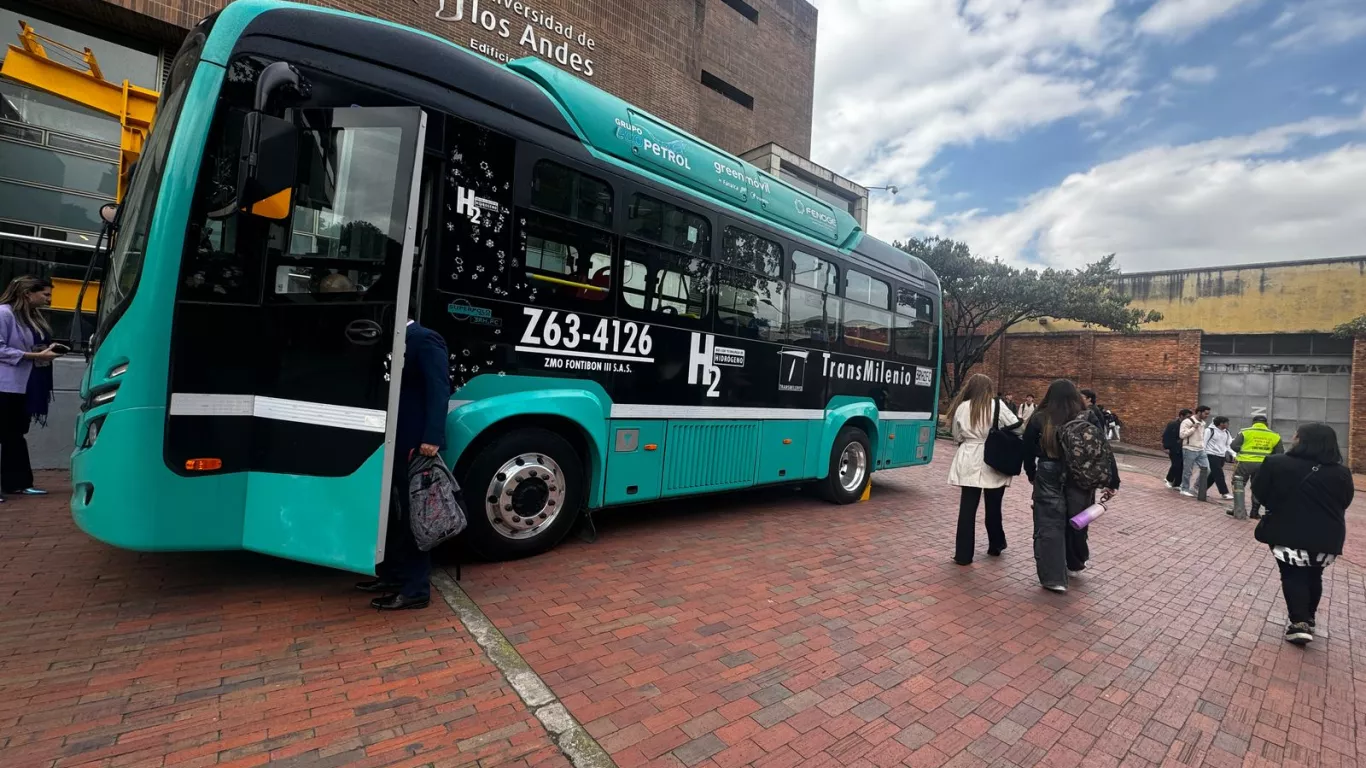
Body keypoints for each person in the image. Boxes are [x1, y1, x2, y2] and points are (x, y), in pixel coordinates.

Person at [356, 309, 451, 610]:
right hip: (393, 440)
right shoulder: (393, 342)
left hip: (415, 444)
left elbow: (439, 389)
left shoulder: (425, 340)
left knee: (414, 515)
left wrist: (432, 437)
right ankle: (392, 574)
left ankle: (416, 588)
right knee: (393, 513)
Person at [1251, 423, 1352, 645]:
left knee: (1292, 574)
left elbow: (1259, 491)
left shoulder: (1277, 463)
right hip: (1328, 535)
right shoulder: (1342, 472)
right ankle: (1309, 618)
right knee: (1314, 574)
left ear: (1301, 440)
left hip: (1288, 529)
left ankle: (1299, 623)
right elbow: (1345, 501)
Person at [1022, 379, 1120, 593]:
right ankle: (1076, 561)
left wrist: (1031, 473)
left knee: (1049, 523)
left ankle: (1053, 578)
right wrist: (1112, 481)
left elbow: (1027, 448)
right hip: (1081, 474)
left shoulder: (1040, 417)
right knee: (1077, 519)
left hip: (1048, 470)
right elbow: (1103, 448)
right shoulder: (1088, 417)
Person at [946, 373, 1020, 565]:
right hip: (993, 455)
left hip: (969, 455)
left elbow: (956, 434)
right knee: (994, 505)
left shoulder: (962, 407)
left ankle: (963, 554)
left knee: (967, 508)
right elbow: (1016, 426)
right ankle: (996, 544)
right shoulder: (997, 405)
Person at [0, 276, 61, 499]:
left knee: (15, 435)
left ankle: (18, 483)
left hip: (21, 385)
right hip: (4, 384)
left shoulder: (27, 318)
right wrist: (34, 355)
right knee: (7, 434)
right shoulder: (4, 313)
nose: (49, 299)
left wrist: (44, 351)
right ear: (28, 294)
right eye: (44, 294)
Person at [1231, 415, 1283, 519]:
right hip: (1264, 465)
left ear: (1253, 422)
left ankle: (1239, 509)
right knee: (1258, 487)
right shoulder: (1275, 435)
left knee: (1238, 483)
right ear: (1266, 424)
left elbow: (1234, 446)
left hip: (1245, 462)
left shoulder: (1245, 432)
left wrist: (1243, 451)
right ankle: (1254, 512)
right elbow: (1280, 452)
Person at [1179, 406, 1211, 498]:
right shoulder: (1187, 421)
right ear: (1199, 412)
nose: (1207, 415)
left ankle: (1197, 487)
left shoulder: (1202, 423)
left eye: (1208, 414)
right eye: (1206, 413)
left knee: (1207, 469)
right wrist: (1193, 428)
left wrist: (1203, 447)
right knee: (1188, 471)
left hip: (1200, 449)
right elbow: (1182, 435)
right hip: (1189, 449)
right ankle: (1184, 489)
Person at [1204, 416, 1235, 500]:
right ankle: (1224, 493)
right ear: (1221, 423)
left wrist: (1234, 455)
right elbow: (1204, 443)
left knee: (1214, 475)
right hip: (1211, 454)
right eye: (1227, 423)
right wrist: (1203, 455)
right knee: (1219, 474)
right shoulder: (1209, 431)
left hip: (1221, 456)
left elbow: (1228, 445)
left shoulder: (1226, 432)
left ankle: (1202, 489)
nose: (1228, 424)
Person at [1162, 409, 1192, 489]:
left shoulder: (1188, 425)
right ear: (1181, 416)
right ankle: (1168, 479)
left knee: (1182, 466)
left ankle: (1177, 484)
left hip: (1184, 448)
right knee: (1176, 464)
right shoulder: (1173, 424)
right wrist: (1166, 447)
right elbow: (1166, 435)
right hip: (1174, 447)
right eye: (1187, 417)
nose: (1189, 419)